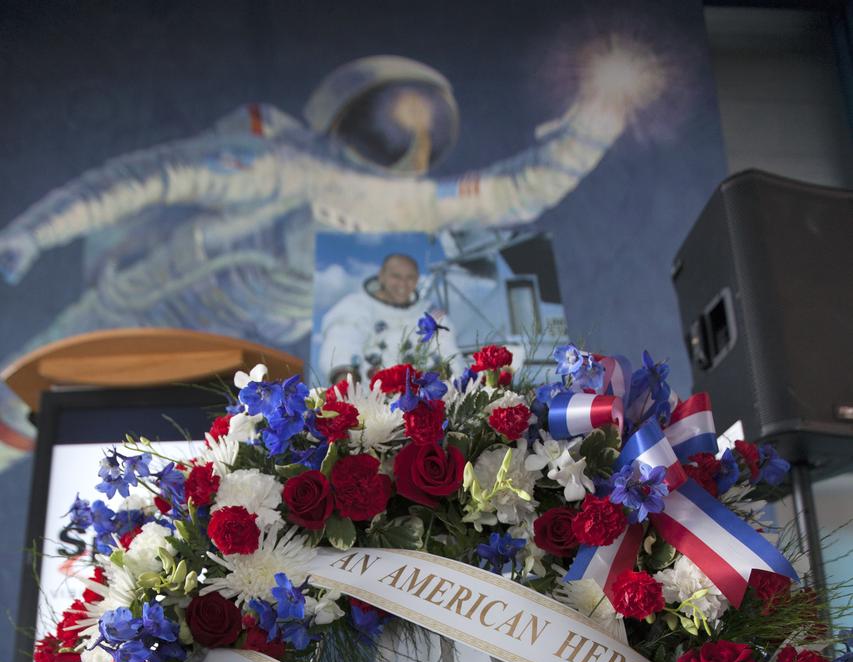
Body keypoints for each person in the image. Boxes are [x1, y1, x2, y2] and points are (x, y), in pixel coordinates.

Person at [0, 43, 665, 459]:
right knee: (18, 410)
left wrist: (597, 116)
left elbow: (522, 188)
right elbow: (139, 185)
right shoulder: (270, 164)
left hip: (241, 357)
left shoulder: (399, 198)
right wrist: (34, 230)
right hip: (141, 305)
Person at [317, 251, 458, 382]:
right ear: (381, 276)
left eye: (410, 277)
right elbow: (343, 341)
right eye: (396, 276)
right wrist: (346, 381)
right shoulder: (356, 306)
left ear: (417, 280)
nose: (403, 283)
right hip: (369, 401)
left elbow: (448, 351)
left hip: (422, 401)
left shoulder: (429, 312)